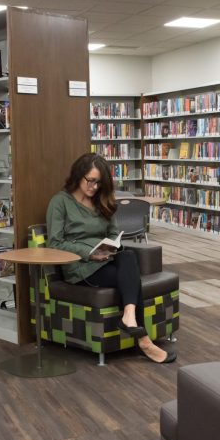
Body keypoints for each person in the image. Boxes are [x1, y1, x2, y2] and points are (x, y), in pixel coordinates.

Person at [46, 153, 176, 364]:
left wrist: (110, 248)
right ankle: (143, 340)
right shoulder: (60, 202)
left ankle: (130, 318)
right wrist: (89, 252)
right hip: (80, 267)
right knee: (131, 280)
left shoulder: (101, 201)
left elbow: (114, 233)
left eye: (99, 182)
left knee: (127, 256)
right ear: (78, 175)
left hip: (105, 260)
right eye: (90, 180)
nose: (94, 187)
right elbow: (55, 243)